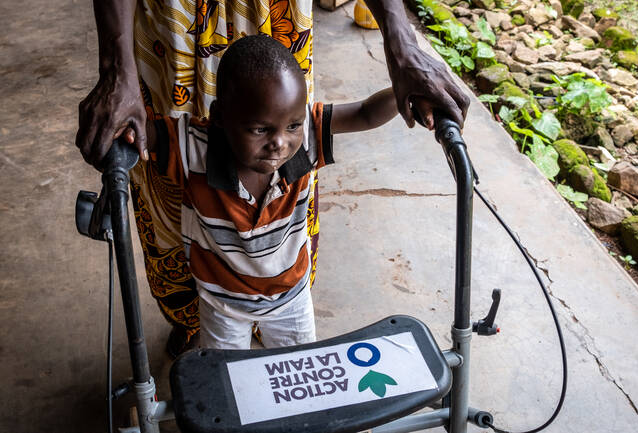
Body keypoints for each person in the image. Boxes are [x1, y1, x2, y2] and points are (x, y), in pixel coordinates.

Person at [77, 0, 469, 355]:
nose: (280, 143)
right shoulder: (195, 147)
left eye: (291, 125)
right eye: (259, 130)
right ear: (219, 119)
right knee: (227, 373)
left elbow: (365, 113)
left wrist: (403, 90)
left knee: (297, 365)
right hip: (223, 305)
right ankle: (187, 322)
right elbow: (140, 130)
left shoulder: (306, 138)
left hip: (289, 301)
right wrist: (115, 103)